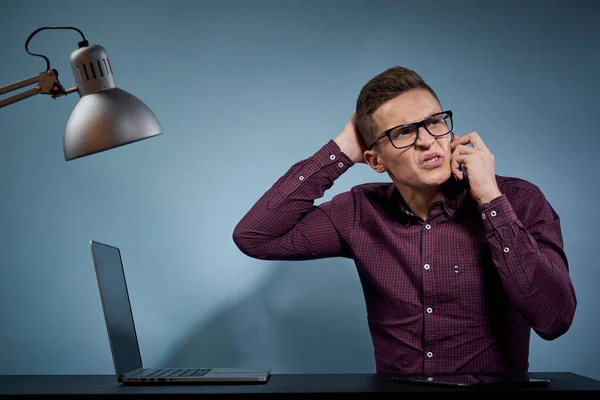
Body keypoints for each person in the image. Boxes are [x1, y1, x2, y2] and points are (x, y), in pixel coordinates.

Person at [232, 66, 577, 375]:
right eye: (402, 133)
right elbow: (254, 237)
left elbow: (555, 319)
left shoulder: (518, 200)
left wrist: (490, 200)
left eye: (434, 122)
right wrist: (340, 150)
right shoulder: (358, 212)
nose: (427, 142)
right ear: (375, 160)